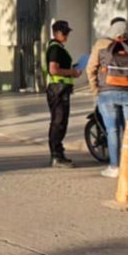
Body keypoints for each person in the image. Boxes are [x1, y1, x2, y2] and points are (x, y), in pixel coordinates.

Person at [86, 19, 128, 178]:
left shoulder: (101, 44)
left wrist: (96, 90)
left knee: (113, 131)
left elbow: (90, 69)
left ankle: (115, 167)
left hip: (107, 93)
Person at [46, 20, 82, 168]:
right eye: (64, 32)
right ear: (56, 33)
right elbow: (53, 69)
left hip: (61, 88)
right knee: (58, 122)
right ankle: (56, 156)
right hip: (57, 89)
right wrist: (72, 72)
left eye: (67, 32)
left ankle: (58, 154)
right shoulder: (55, 48)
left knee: (61, 122)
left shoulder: (59, 48)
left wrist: (72, 70)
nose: (67, 35)